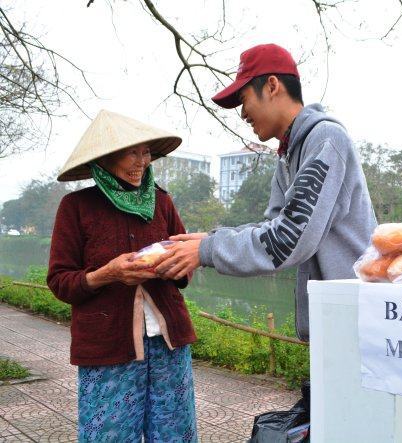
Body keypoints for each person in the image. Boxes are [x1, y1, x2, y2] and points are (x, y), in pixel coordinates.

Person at [154, 43, 377, 340]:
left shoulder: (325, 139)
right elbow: (273, 227)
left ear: (272, 86)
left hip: (356, 319)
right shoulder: (287, 155)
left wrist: (206, 251)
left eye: (243, 100)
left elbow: (287, 240)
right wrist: (213, 239)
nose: (243, 114)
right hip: (333, 321)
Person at [47, 110, 198, 442]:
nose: (141, 161)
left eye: (145, 152)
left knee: (175, 435)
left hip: (168, 343)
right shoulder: (76, 207)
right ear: (104, 158)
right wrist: (107, 274)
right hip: (108, 348)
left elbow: (185, 266)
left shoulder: (161, 202)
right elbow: (60, 280)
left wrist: (177, 264)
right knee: (109, 436)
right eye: (131, 152)